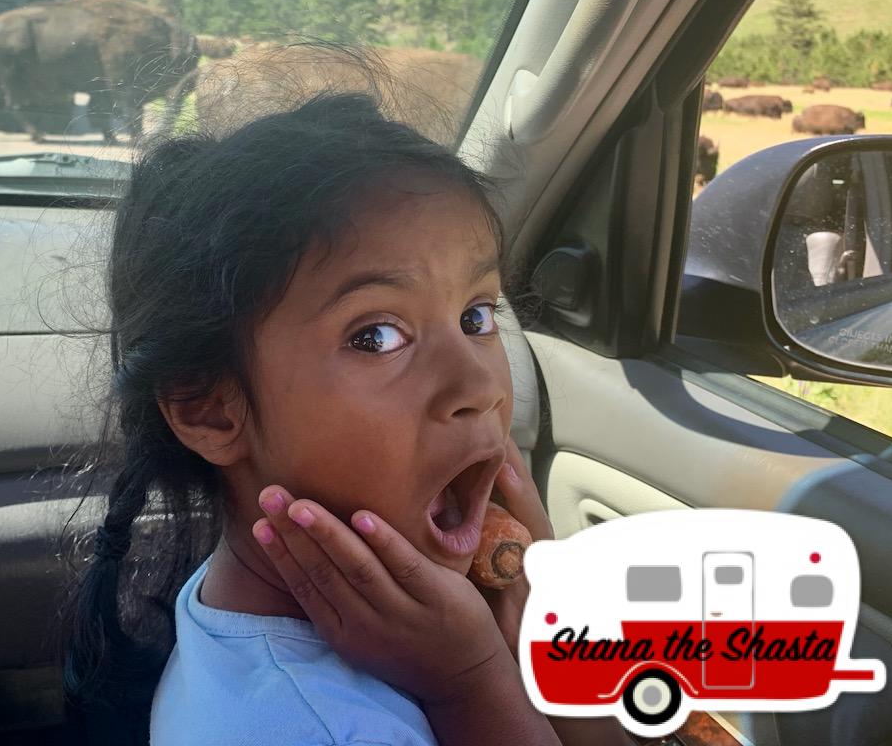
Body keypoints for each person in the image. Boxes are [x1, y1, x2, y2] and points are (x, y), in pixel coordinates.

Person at [56, 74, 635, 746]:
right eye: (377, 337)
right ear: (210, 410)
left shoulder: (256, 612)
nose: (477, 384)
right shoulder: (305, 727)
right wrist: (471, 682)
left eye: (475, 315)